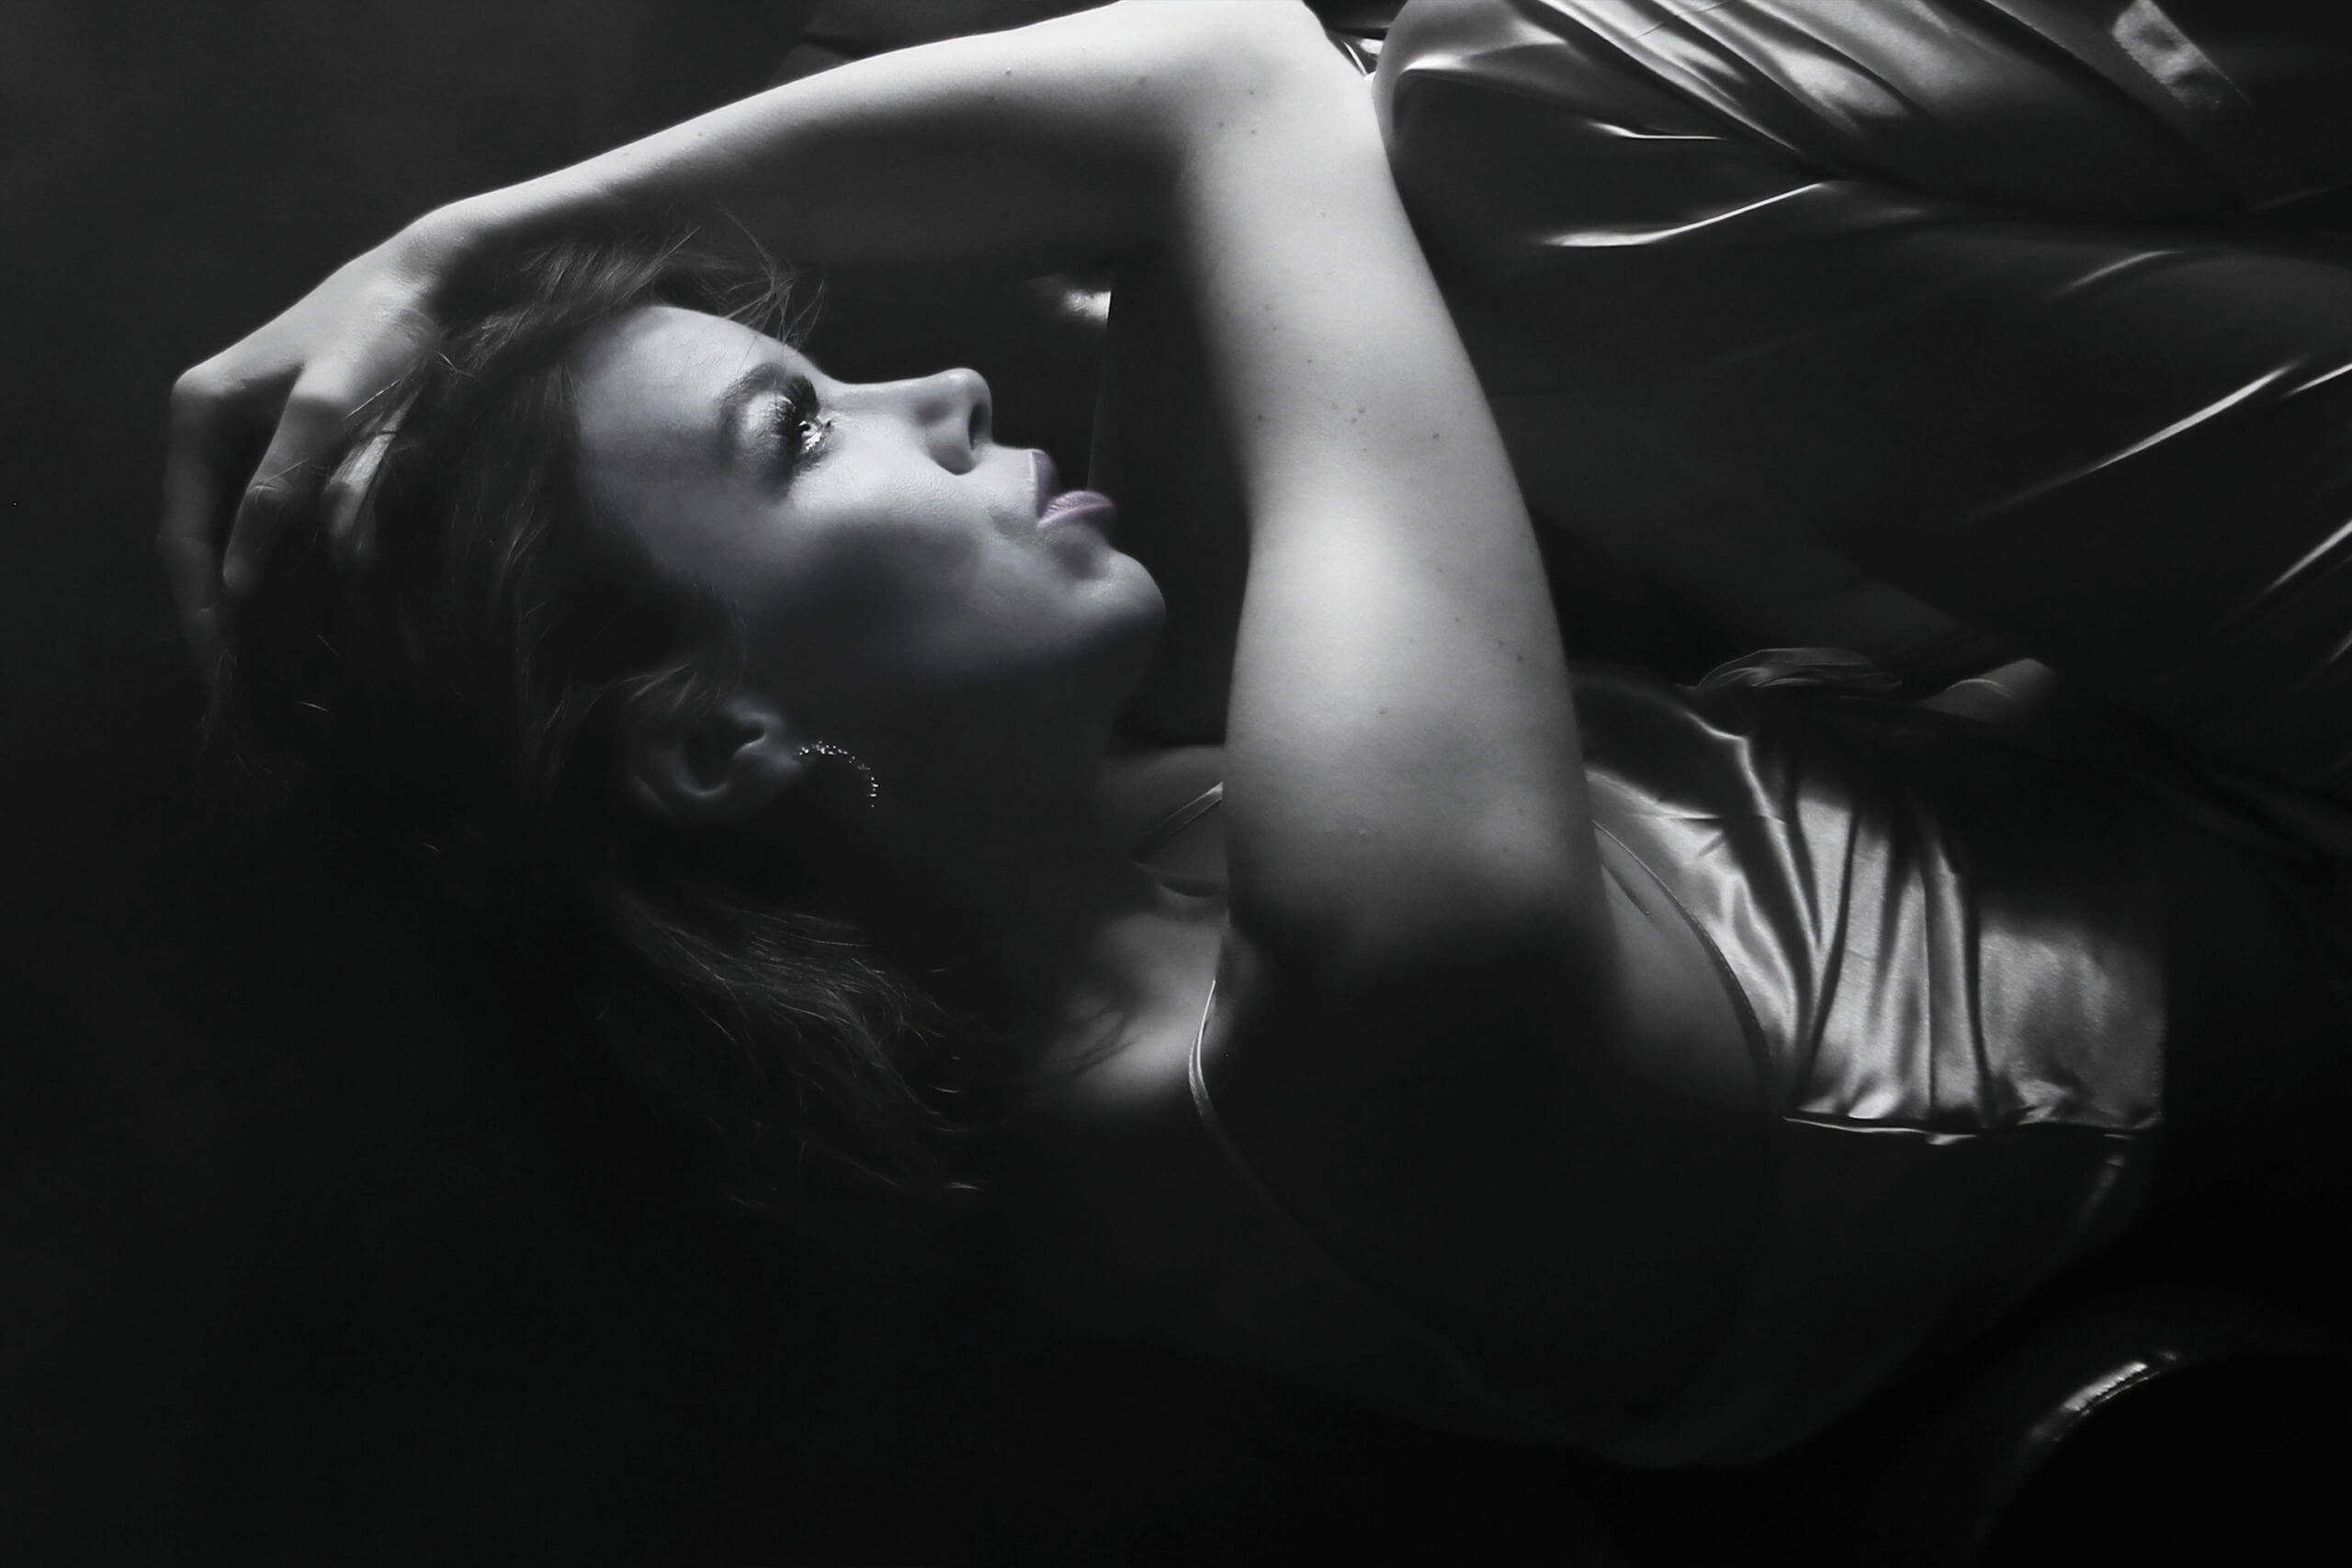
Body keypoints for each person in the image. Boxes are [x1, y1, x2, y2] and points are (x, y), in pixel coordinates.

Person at [157, 0, 2352, 1470]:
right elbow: (1224, 81)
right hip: (2305, 809)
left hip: (2146, 720)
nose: (942, 395)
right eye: (800, 431)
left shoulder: (1090, 939)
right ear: (720, 740)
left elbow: (1181, 175)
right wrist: (485, 241)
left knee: (1428, 174)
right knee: (1510, 93)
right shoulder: (1363, 962)